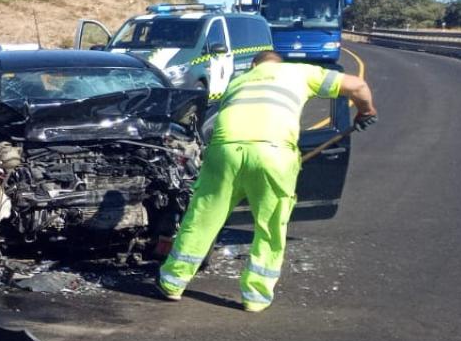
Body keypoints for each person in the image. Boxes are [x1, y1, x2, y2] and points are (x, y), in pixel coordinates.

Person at [157, 50, 376, 312]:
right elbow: (358, 85)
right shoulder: (300, 72)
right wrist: (366, 111)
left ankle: (172, 282)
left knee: (202, 218)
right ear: (280, 63)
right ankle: (255, 297)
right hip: (273, 152)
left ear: (253, 65)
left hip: (225, 150)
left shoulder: (238, 82)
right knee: (270, 226)